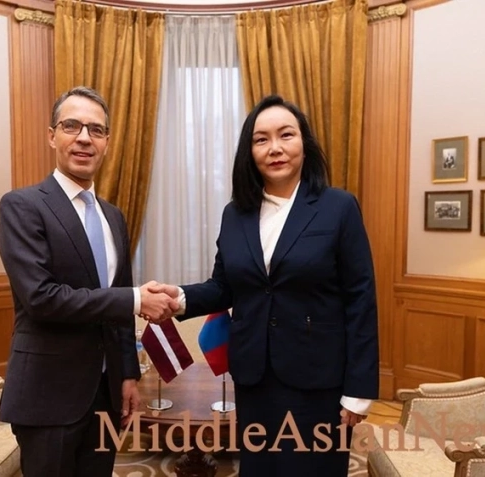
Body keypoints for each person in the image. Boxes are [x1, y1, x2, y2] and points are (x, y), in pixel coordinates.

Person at [150, 95, 379, 477]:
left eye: (286, 135)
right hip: (254, 375)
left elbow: (361, 299)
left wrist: (359, 388)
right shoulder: (235, 213)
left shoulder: (338, 207)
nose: (274, 147)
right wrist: (182, 297)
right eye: (261, 139)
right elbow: (224, 286)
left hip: (317, 377)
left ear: (304, 142)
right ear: (249, 151)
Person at [0, 86, 178, 477]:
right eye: (72, 126)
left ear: (107, 142)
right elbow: (41, 298)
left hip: (105, 393)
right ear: (52, 136)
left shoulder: (114, 217)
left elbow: (118, 311)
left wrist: (127, 375)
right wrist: (135, 299)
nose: (84, 137)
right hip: (48, 395)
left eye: (95, 130)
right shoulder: (22, 206)